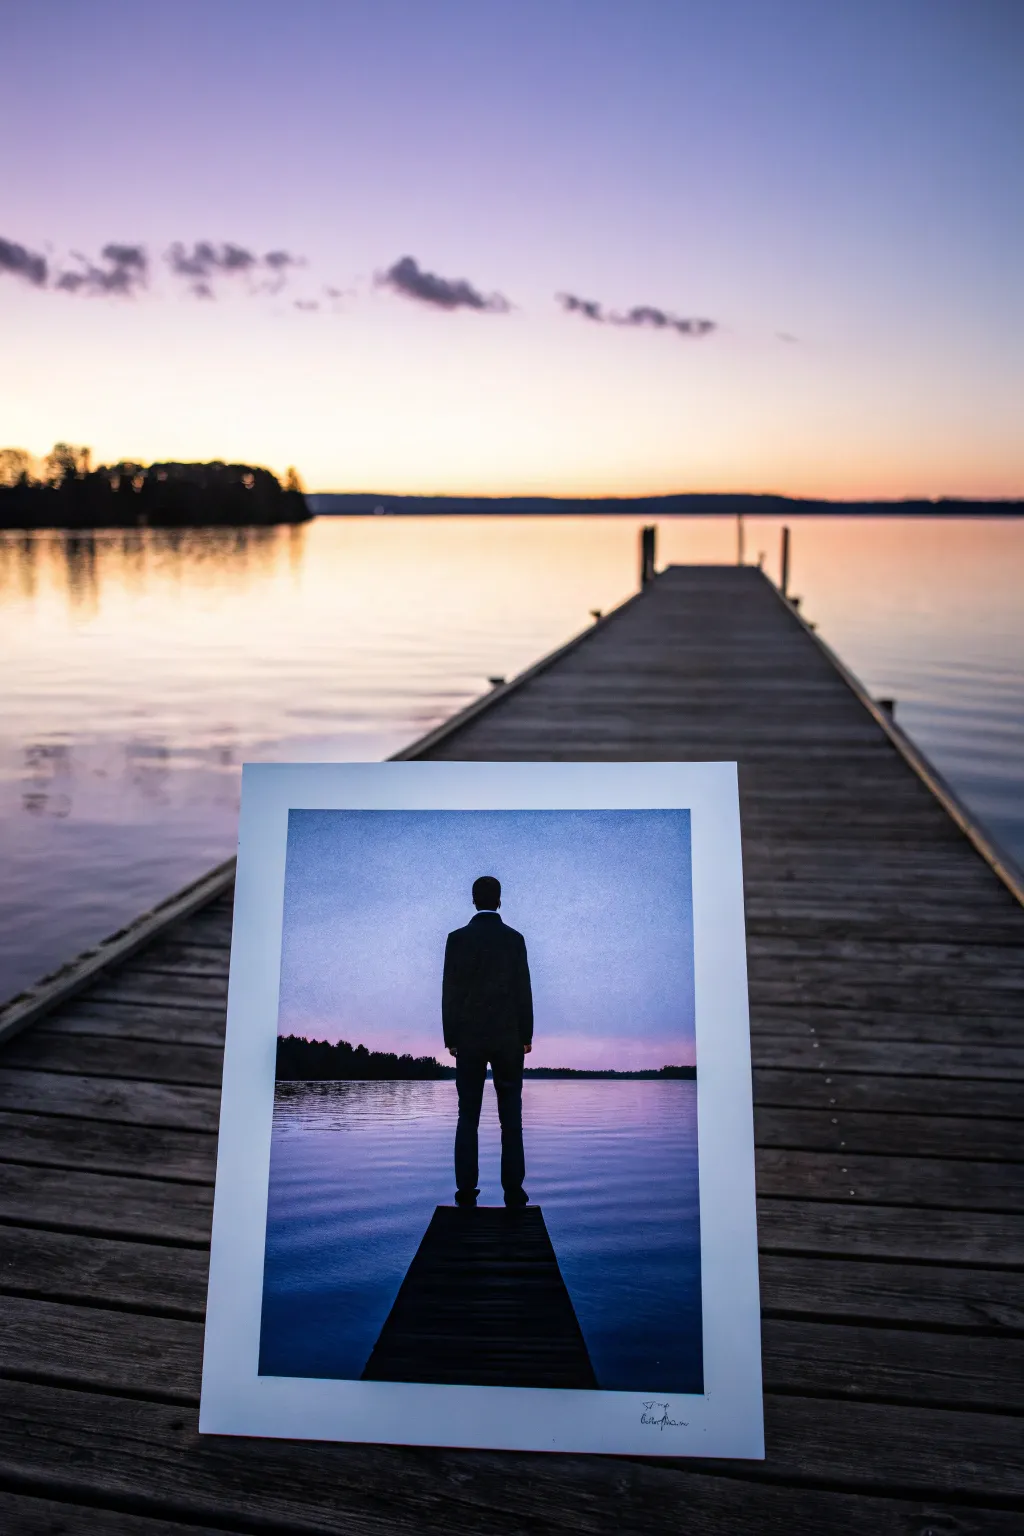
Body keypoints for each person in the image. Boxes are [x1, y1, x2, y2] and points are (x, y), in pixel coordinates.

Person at [442, 875, 533, 1208]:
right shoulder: (514, 939)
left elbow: (450, 992)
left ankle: (466, 1190)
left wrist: (451, 1037)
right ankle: (514, 1190)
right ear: (499, 900)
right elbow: (523, 989)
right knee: (511, 1118)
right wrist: (526, 1035)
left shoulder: (457, 939)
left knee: (468, 1116)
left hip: (469, 1038)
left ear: (473, 900)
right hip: (508, 1038)